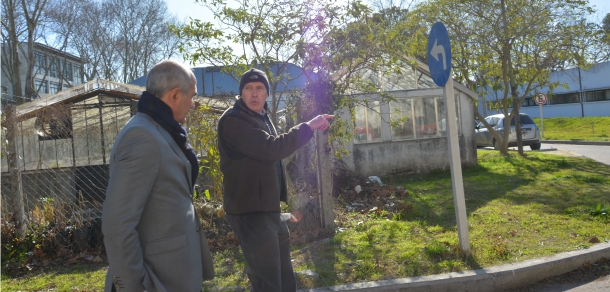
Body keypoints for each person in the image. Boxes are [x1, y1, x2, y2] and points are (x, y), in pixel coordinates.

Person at [102, 60, 214, 292]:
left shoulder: (161, 128)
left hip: (175, 273)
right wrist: (134, 286)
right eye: (192, 96)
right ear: (174, 96)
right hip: (157, 280)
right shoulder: (141, 136)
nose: (193, 104)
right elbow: (117, 225)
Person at [218, 68, 333, 292]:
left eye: (259, 88)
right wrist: (308, 126)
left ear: (267, 94)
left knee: (283, 275)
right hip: (250, 211)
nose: (254, 94)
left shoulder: (261, 117)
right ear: (241, 93)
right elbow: (272, 149)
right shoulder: (234, 121)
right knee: (267, 281)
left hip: (268, 209)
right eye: (248, 88)